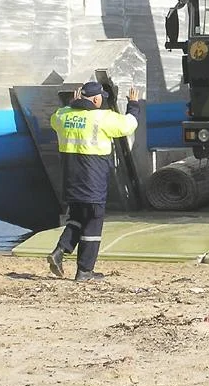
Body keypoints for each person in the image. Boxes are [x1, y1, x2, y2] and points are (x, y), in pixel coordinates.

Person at [47, 81, 141, 282]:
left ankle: (60, 251)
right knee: (93, 222)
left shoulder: (63, 115)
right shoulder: (102, 117)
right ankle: (85, 271)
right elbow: (129, 125)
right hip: (93, 178)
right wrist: (133, 105)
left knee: (78, 217)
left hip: (71, 178)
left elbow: (54, 119)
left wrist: (72, 103)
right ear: (97, 99)